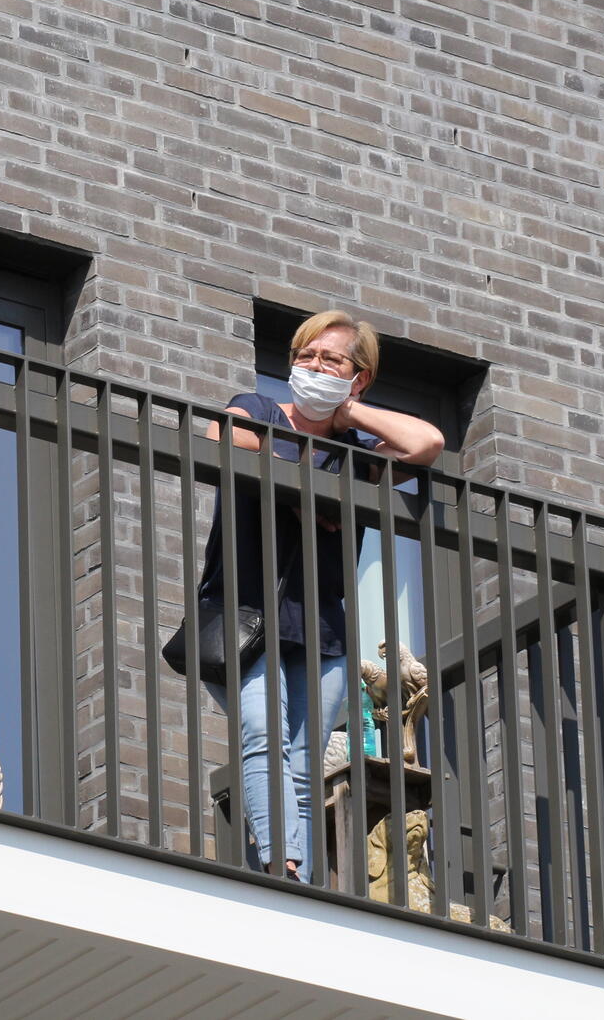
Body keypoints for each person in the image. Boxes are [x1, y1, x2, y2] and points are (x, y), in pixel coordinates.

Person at [201, 310, 443, 882]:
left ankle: (302, 876)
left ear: (359, 377)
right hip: (246, 611)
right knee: (263, 734)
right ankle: (280, 864)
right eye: (304, 356)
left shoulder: (354, 452)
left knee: (307, 762)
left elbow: (427, 443)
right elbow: (221, 437)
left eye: (329, 359)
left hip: (321, 626)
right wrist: (301, 494)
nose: (311, 367)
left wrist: (348, 413)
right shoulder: (261, 410)